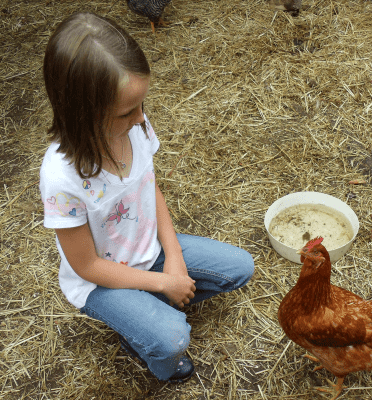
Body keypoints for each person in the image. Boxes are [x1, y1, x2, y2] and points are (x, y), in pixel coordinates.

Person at [39, 12, 254, 383]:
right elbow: (86, 266)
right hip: (102, 281)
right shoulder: (61, 178)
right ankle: (148, 345)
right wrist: (163, 284)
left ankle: (143, 312)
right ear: (82, 114)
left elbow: (149, 186)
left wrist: (172, 258)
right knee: (172, 339)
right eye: (126, 111)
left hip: (149, 253)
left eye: (142, 105)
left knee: (240, 267)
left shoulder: (135, 126)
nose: (141, 118)